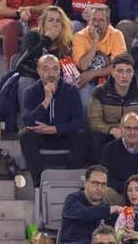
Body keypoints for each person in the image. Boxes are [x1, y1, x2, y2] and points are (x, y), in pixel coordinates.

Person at [19, 55, 88, 186]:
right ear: (38, 71)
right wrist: (46, 101)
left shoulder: (71, 90)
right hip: (41, 137)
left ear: (60, 71)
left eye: (55, 69)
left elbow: (79, 121)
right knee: (25, 136)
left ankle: (72, 181)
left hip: (64, 135)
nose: (51, 73)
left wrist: (55, 129)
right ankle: (38, 183)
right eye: (46, 69)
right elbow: (27, 121)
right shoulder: (31, 91)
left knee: (82, 135)